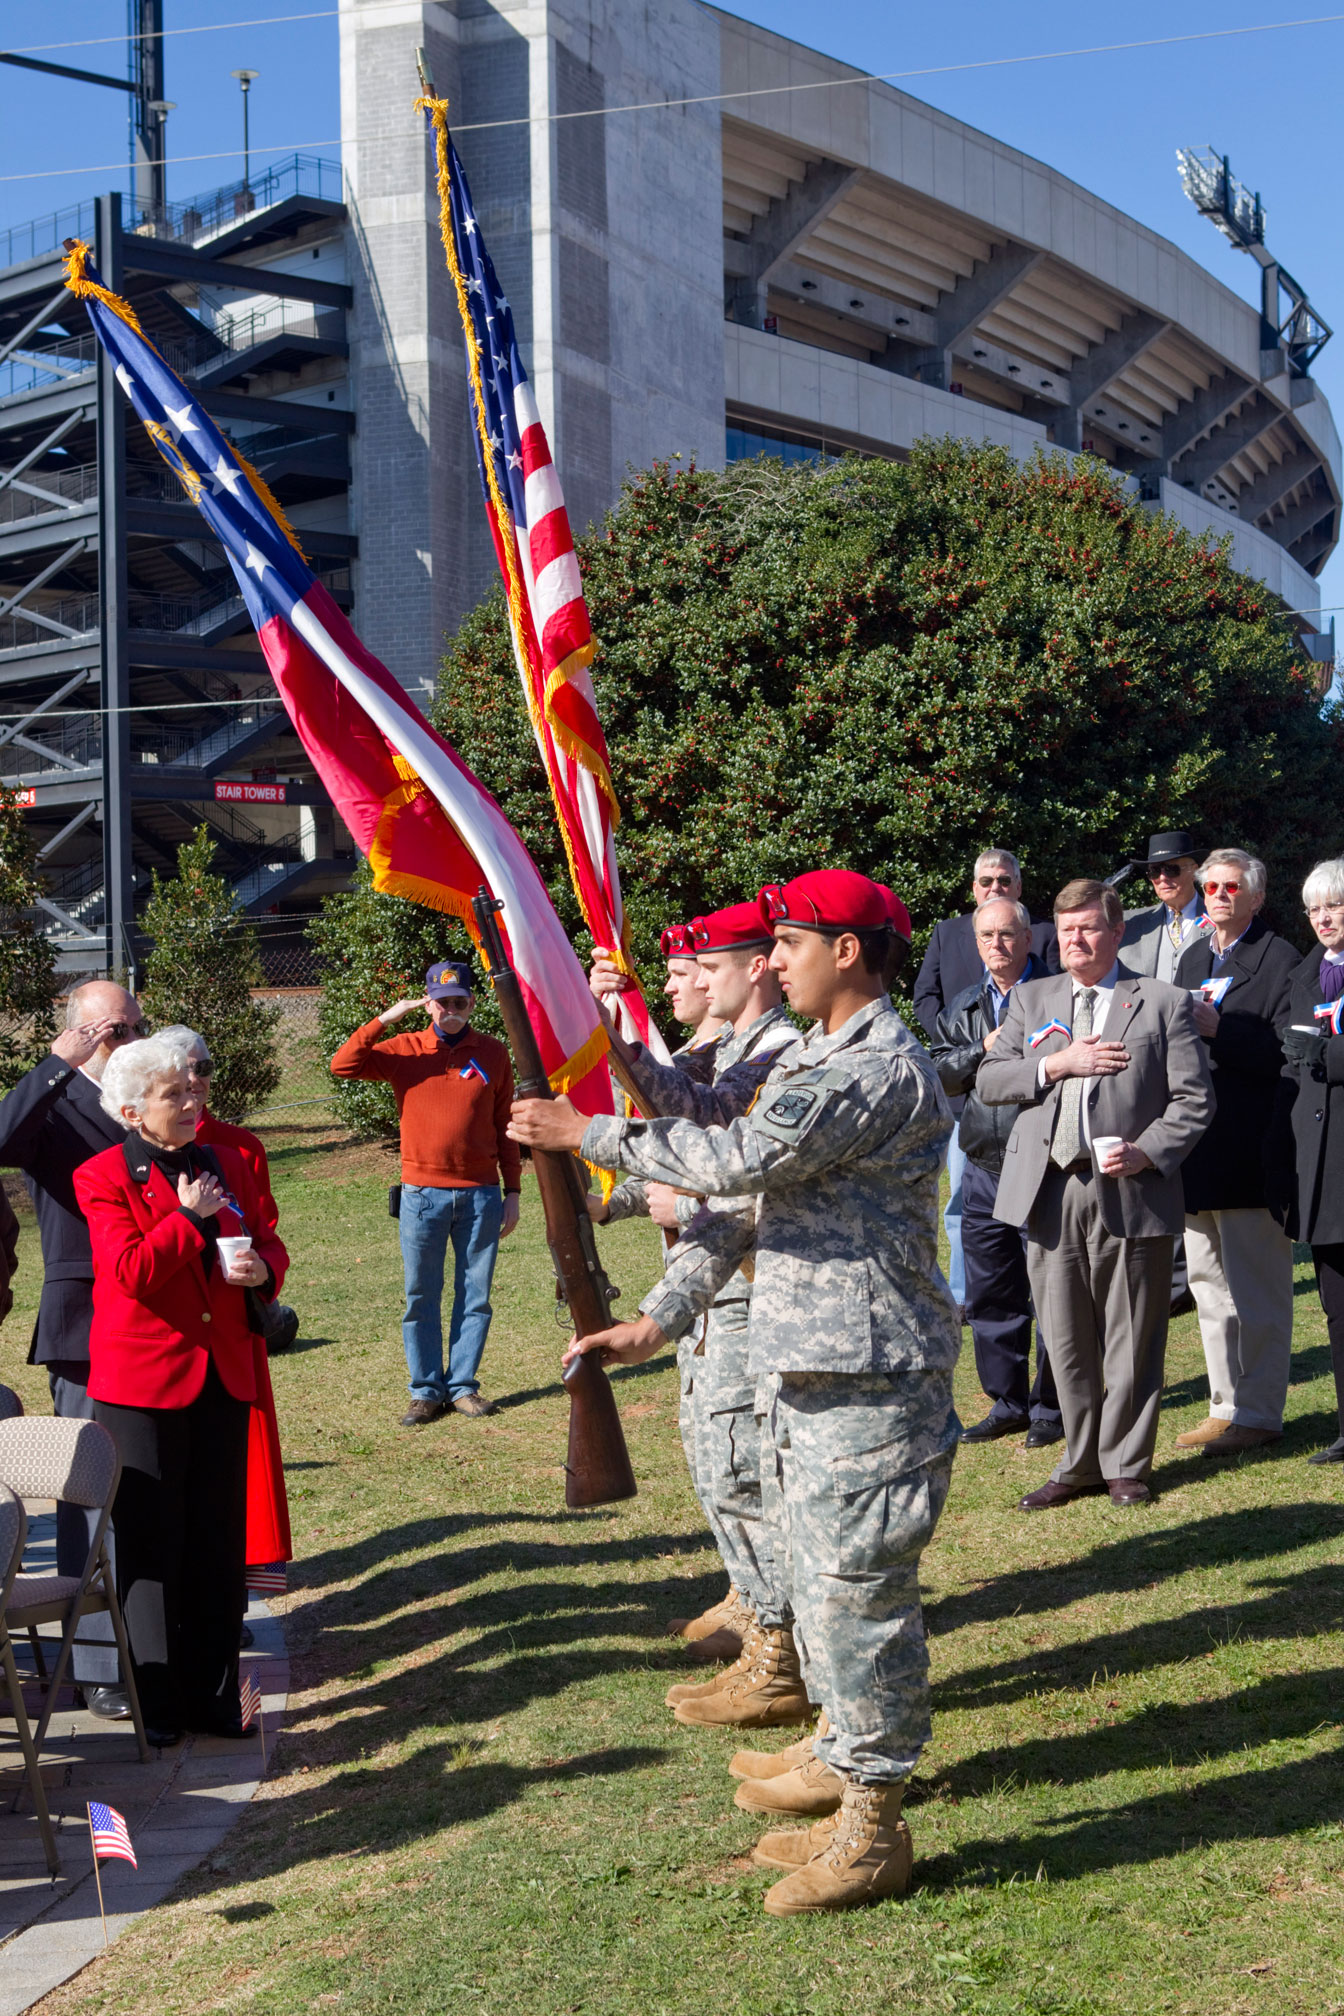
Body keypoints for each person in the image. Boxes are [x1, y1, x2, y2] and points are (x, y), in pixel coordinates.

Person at [510, 869, 959, 1917]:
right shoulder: (811, 1051)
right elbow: (745, 1205)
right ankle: (843, 1755)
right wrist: (660, 1319)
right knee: (819, 1583)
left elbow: (742, 1155)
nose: (777, 957)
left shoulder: (876, 1068)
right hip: (809, 1366)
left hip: (871, 1375)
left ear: (849, 951)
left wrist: (590, 1135)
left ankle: (873, 1824)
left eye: (793, 940)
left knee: (860, 1599)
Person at [74, 1036, 288, 1744]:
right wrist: (185, 1217)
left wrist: (263, 1272)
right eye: (175, 1095)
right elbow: (130, 1271)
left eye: (195, 1088)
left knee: (217, 1544)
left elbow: (262, 1239)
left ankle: (217, 1700)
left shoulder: (224, 1161)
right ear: (133, 1111)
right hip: (142, 1386)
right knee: (151, 1547)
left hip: (221, 1376)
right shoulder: (102, 1177)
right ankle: (158, 1706)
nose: (194, 1102)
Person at [979, 878, 1213, 1509]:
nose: (1074, 939)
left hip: (1129, 1187)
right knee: (1065, 1336)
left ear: (1116, 933)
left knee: (1132, 1334)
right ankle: (1078, 1461)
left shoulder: (1161, 1002)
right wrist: (1056, 1064)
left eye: (1087, 927)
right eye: (1066, 928)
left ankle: (1125, 1464)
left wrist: (1147, 1152)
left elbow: (1194, 1101)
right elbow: (991, 1080)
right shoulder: (1032, 999)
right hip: (1048, 1190)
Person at [0, 980, 148, 1719]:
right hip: (85, 1321)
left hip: (157, 1317)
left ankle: (152, 1645)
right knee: (87, 1499)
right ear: (82, 1035)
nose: (129, 1039)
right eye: (115, 1029)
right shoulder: (53, 1104)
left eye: (136, 1024)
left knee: (149, 1489)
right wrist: (57, 1062)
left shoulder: (151, 1093)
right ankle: (95, 1667)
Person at [330, 960, 520, 1422]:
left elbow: (506, 1126)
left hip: (480, 1194)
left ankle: (462, 1387)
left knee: (475, 1295)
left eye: (460, 1002)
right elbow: (343, 1065)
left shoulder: (493, 1053)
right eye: (442, 1001)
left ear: (472, 1003)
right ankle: (425, 1389)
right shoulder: (404, 1049)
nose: (451, 1009)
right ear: (428, 1002)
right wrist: (385, 1019)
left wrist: (511, 1192)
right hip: (422, 1195)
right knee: (421, 1295)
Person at [1167, 851, 1300, 1458]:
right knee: (1208, 1285)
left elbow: (1290, 1052)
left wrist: (1222, 1029)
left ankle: (1261, 1410)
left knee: (1258, 1290)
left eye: (1230, 886)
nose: (1217, 895)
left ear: (1256, 896)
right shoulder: (1194, 957)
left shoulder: (1281, 959)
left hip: (1252, 1147)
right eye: (1210, 886)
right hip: (1200, 1150)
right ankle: (1224, 1405)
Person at [156, 1028, 293, 1578]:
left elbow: (268, 1235)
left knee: (245, 1462)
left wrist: (265, 1272)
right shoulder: (134, 1148)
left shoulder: (240, 1147)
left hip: (235, 1329)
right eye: (183, 1071)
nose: (196, 1081)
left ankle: (251, 1568)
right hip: (172, 1338)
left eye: (205, 1068)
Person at [932, 898, 1061, 1446]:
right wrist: (980, 1051)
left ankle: (1053, 1408)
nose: (997, 946)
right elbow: (937, 1070)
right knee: (991, 1290)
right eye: (987, 937)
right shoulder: (964, 1006)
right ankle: (1008, 1402)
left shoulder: (1060, 995)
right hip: (983, 1160)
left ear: (1029, 939)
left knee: (1053, 1288)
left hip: (1044, 1159)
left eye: (1007, 935)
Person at [913, 849, 1058, 1317]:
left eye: (1004, 880)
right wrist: (964, 1045)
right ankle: (966, 1293)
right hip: (970, 1103)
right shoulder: (947, 932)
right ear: (973, 888)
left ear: (1018, 887)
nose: (994, 888)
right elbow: (926, 998)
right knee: (963, 1202)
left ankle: (1044, 1294)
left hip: (1035, 1108)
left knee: (1038, 1215)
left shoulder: (1047, 937)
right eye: (985, 881)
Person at [1272, 857, 1344, 1463]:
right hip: (1320, 1163)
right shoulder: (1304, 974)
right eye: (1316, 908)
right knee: (1337, 1302)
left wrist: (1327, 1053)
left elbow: (1319, 1053)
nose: (1324, 917)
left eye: (1336, 905)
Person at [1120, 831, 1213, 980]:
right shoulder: (1129, 924)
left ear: (1194, 871)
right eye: (1155, 871)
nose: (1162, 878)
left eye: (1172, 869)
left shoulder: (1220, 920)